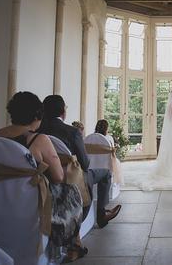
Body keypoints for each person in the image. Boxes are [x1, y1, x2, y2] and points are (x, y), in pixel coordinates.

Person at [0, 92, 85, 263]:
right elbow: (58, 176)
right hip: (29, 199)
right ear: (38, 115)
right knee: (70, 191)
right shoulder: (39, 139)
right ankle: (71, 244)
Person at [38, 95, 121, 228]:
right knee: (106, 173)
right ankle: (101, 214)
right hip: (70, 178)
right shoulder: (72, 132)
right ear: (62, 112)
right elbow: (85, 163)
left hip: (43, 177)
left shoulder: (37, 132)